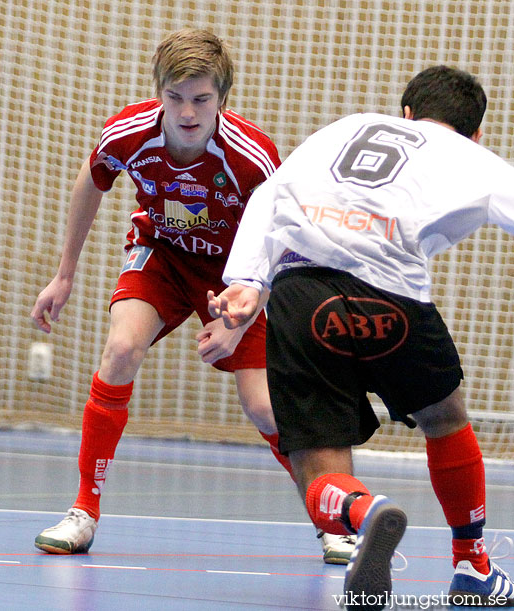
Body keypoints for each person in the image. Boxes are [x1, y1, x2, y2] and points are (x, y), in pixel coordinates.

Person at [30, 28, 355, 563]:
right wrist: (64, 274)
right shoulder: (128, 134)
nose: (186, 112)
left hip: (237, 273)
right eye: (175, 98)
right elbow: (91, 181)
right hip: (160, 255)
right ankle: (83, 512)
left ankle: (332, 523)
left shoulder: (252, 157)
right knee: (120, 349)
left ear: (222, 99)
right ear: (160, 93)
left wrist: (241, 317)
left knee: (266, 409)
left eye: (201, 99)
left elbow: (280, 241)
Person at [208, 65, 514, 608]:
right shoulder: (477, 159)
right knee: (444, 418)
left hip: (303, 293)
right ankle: (473, 568)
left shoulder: (345, 127)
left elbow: (270, 194)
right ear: (476, 133)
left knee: (317, 455)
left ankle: (361, 512)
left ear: (404, 113)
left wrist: (246, 282)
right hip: (392, 295)